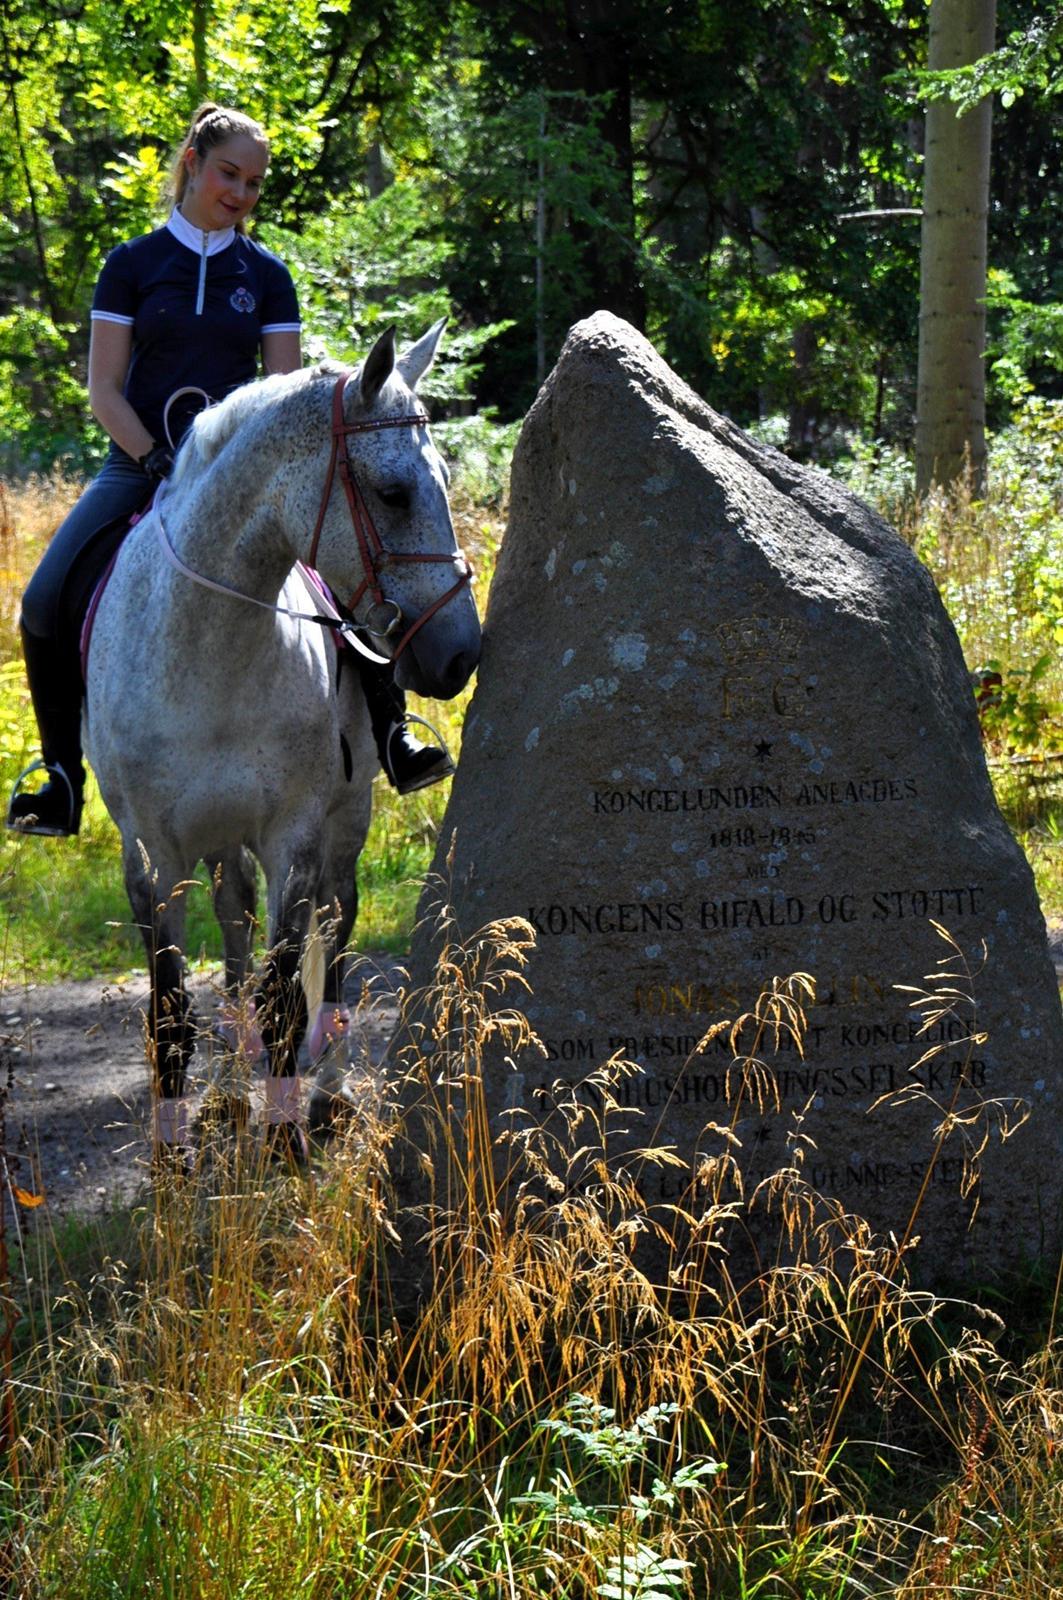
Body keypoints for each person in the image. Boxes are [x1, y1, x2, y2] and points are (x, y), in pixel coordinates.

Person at [7, 102, 451, 837]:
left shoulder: (267, 277)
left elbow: (281, 400)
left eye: (253, 182)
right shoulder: (132, 266)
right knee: (45, 598)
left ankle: (395, 734)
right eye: (228, 174)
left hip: (245, 485)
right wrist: (154, 459)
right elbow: (103, 390)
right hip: (138, 466)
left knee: (345, 581)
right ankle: (58, 775)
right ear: (191, 162)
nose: (240, 193)